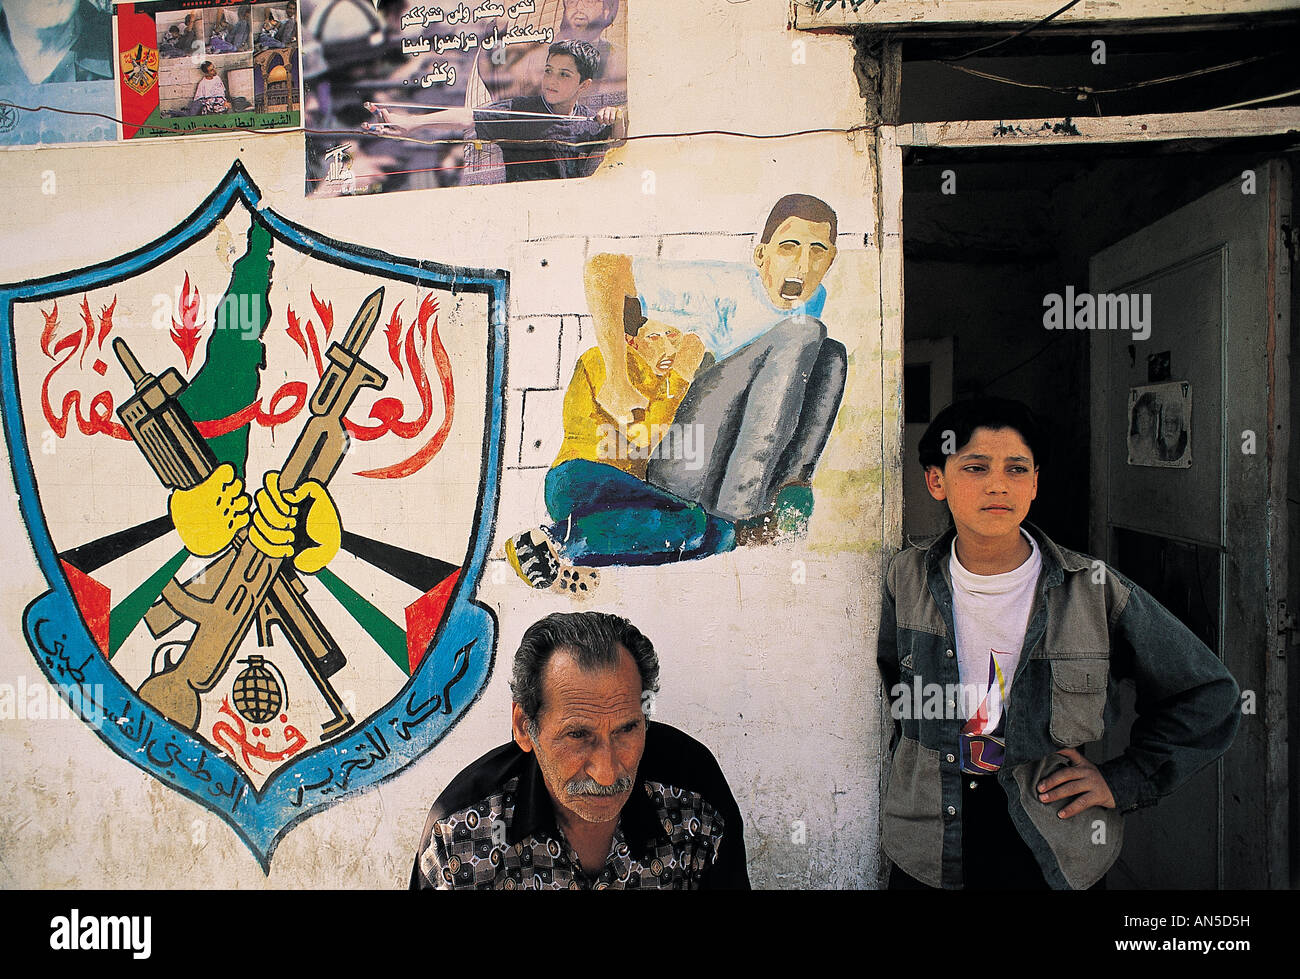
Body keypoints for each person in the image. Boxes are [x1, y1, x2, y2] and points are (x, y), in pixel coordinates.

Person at [877, 396, 1240, 890]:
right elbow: (893, 684)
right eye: (976, 467)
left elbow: (1208, 694)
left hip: (1054, 841)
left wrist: (1124, 779)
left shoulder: (1094, 590)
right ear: (936, 481)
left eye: (1016, 468)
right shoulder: (905, 578)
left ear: (1034, 484)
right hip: (930, 841)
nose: (998, 484)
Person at [411, 611, 750, 889]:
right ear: (524, 727)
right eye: (577, 735)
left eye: (626, 729)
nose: (607, 773)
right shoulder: (462, 835)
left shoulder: (696, 804)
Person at [585, 195, 846, 541]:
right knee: (805, 332)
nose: (803, 266)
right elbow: (603, 269)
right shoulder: (723, 288)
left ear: (831, 259)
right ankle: (738, 519)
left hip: (723, 473)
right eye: (789, 248)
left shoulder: (814, 297)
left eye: (817, 252)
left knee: (833, 356)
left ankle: (787, 493)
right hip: (682, 467)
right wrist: (617, 377)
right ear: (761, 255)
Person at [506, 303, 733, 592]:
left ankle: (574, 558)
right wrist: (681, 374)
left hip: (617, 501)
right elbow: (642, 436)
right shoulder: (606, 362)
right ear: (631, 341)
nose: (668, 348)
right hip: (578, 479)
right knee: (685, 520)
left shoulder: (665, 385)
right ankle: (553, 542)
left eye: (674, 337)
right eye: (655, 337)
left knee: (690, 530)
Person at [365, 40, 626, 184]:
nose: (551, 81)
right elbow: (468, 117)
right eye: (548, 71)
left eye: (564, 75)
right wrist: (410, 123)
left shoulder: (591, 122)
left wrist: (616, 119)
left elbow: (621, 146)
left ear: (584, 85)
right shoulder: (520, 111)